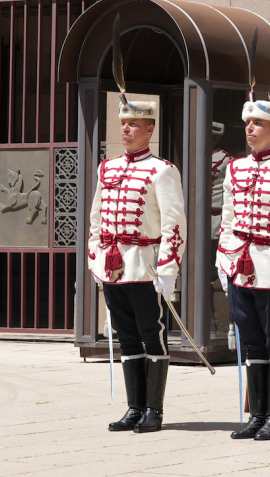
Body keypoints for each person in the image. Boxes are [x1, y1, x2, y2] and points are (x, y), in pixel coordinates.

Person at [88, 99, 186, 432]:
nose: (126, 129)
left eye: (134, 124)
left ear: (150, 129)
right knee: (125, 336)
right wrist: (95, 258)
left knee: (152, 334)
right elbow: (95, 218)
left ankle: (153, 410)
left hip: (146, 266)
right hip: (114, 266)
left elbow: (174, 223)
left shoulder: (163, 171)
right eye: (123, 123)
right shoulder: (107, 168)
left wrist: (169, 269)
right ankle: (134, 407)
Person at [216, 100, 270, 440]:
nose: (249, 128)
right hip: (241, 263)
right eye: (248, 123)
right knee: (251, 342)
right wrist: (224, 256)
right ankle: (257, 414)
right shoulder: (236, 167)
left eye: (258, 123)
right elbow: (229, 217)